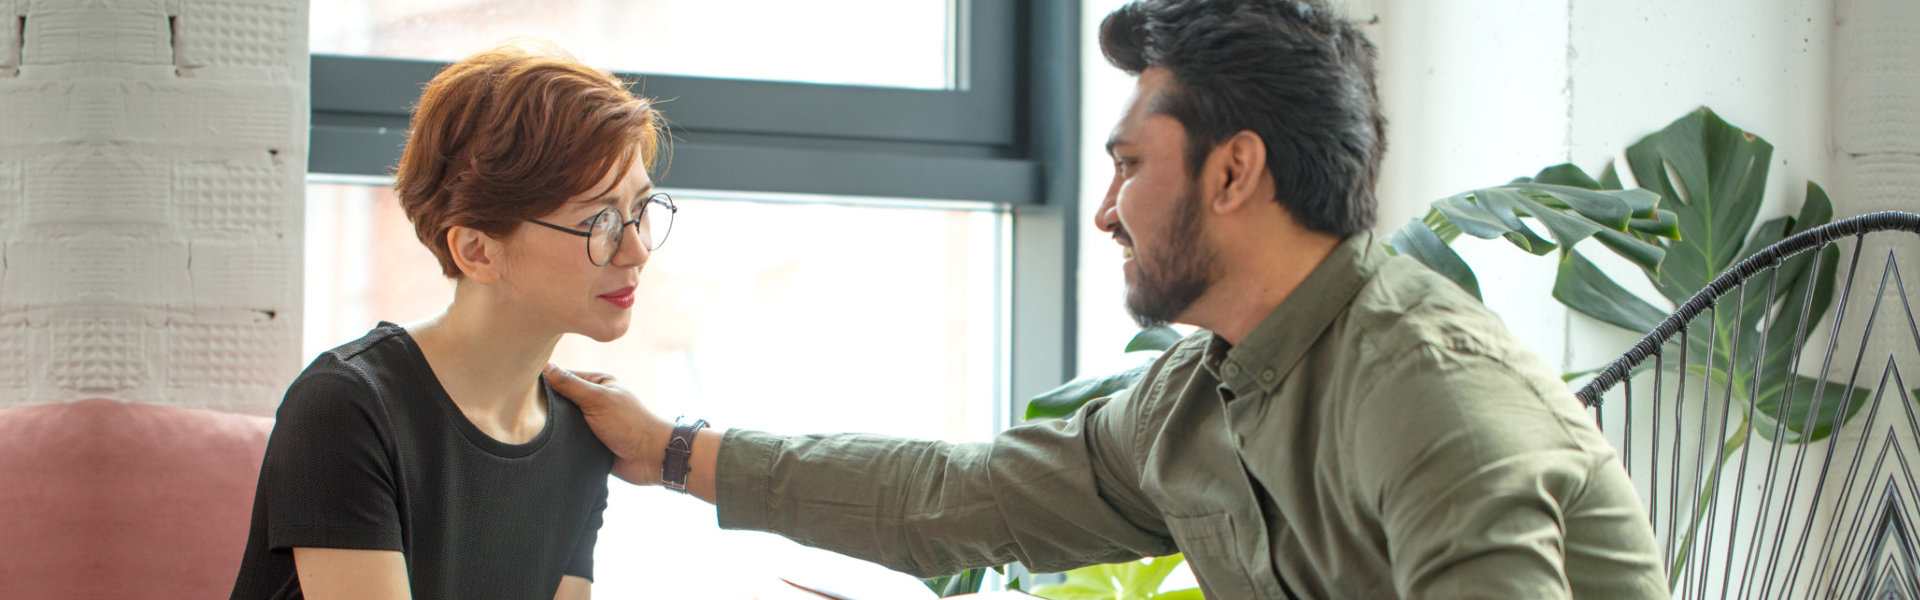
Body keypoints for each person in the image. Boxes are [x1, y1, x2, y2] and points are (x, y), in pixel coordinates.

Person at [546, 0, 1667, 597]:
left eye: (1130, 165)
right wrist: (671, 452)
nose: (1105, 211)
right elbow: (970, 500)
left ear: (1234, 173)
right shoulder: (1202, 395)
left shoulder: (1425, 392)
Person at [230, 40, 669, 600]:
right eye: (599, 221)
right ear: (477, 251)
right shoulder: (347, 407)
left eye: (640, 210)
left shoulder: (584, 436)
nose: (636, 251)